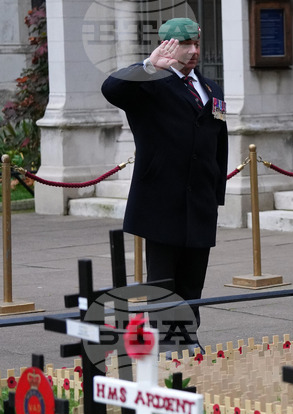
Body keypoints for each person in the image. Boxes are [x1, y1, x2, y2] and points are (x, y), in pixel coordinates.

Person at [102, 17, 228, 352]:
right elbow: (111, 89)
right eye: (186, 45)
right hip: (161, 199)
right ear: (168, 46)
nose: (194, 51)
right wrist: (147, 65)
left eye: (196, 44)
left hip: (199, 201)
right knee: (162, 279)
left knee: (192, 279)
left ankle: (189, 335)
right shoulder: (148, 84)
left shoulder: (211, 88)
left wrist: (216, 194)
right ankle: (170, 341)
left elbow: (219, 143)